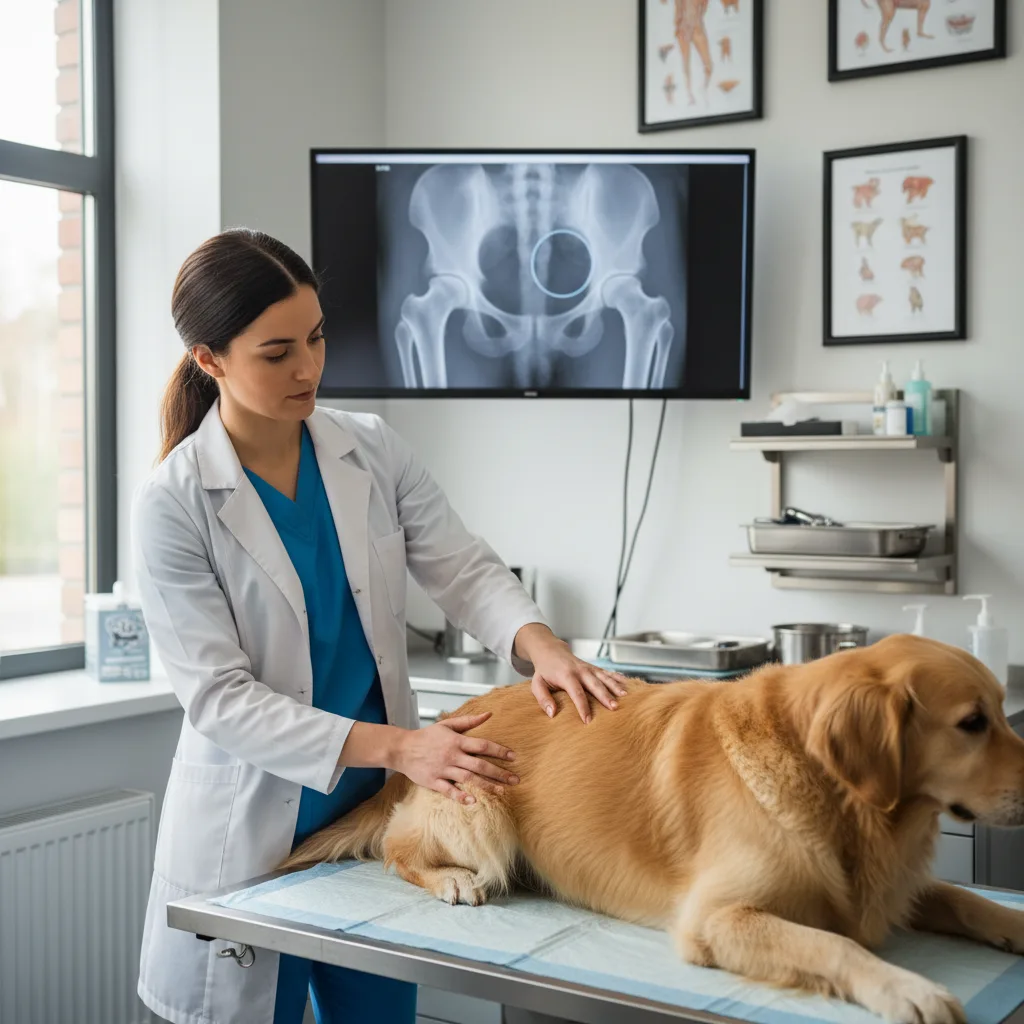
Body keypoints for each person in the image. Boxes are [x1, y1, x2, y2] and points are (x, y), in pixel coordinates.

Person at [133, 229, 628, 1024]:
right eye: (277, 352)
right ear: (210, 361)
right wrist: (405, 745)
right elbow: (220, 699)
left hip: (383, 813)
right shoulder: (175, 502)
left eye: (319, 337)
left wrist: (545, 651)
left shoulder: (367, 448)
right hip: (258, 815)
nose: (309, 368)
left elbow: (462, 567)